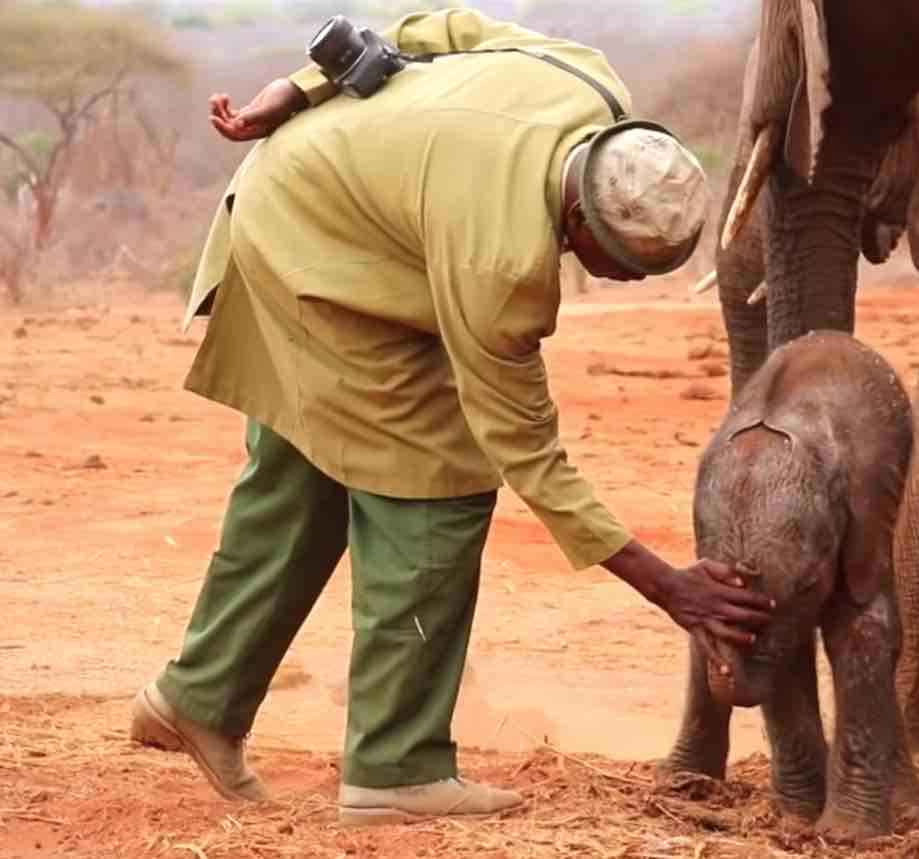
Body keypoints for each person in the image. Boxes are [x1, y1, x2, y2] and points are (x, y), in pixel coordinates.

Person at [130, 9, 771, 827]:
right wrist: (669, 587)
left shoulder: (584, 77)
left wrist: (295, 88)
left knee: (312, 465)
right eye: (626, 265)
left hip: (301, 187)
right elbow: (529, 453)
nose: (629, 282)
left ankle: (197, 697)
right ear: (579, 223)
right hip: (315, 257)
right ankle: (397, 769)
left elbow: (436, 23)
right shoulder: (501, 265)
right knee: (441, 476)